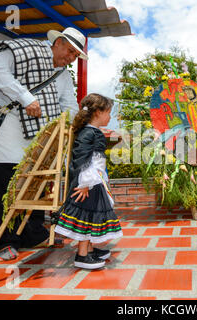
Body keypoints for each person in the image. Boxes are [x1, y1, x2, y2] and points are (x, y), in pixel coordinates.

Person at [0, 27, 86, 261]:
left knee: (37, 183)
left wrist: (79, 126)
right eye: (70, 51)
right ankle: (3, 241)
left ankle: (34, 234)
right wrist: (26, 97)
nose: (71, 58)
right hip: (9, 129)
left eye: (75, 56)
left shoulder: (63, 75)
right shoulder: (25, 49)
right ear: (58, 42)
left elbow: (69, 105)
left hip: (40, 136)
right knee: (6, 184)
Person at [54, 93, 123, 269]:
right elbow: (85, 160)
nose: (110, 116)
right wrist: (85, 184)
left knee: (89, 218)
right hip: (88, 184)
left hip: (91, 182)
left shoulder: (87, 132)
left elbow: (86, 160)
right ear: (98, 112)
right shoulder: (92, 133)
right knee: (86, 218)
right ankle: (82, 255)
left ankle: (89, 250)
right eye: (108, 112)